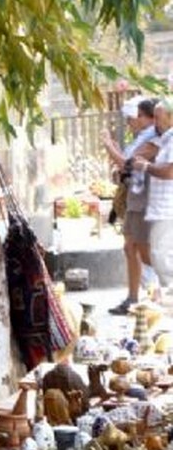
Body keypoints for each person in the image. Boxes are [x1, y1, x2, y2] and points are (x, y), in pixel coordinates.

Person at [101, 97, 158, 314]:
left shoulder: (153, 137)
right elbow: (126, 165)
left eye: (136, 117)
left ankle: (156, 292)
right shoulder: (141, 136)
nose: (132, 121)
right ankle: (132, 299)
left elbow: (127, 162)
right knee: (130, 247)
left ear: (147, 117)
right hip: (135, 198)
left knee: (145, 252)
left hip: (146, 199)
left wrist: (108, 145)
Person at [133, 96, 173, 296]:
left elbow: (170, 172)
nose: (155, 123)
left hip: (168, 209)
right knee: (159, 256)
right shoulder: (165, 140)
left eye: (159, 118)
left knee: (161, 257)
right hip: (160, 209)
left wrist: (146, 166)